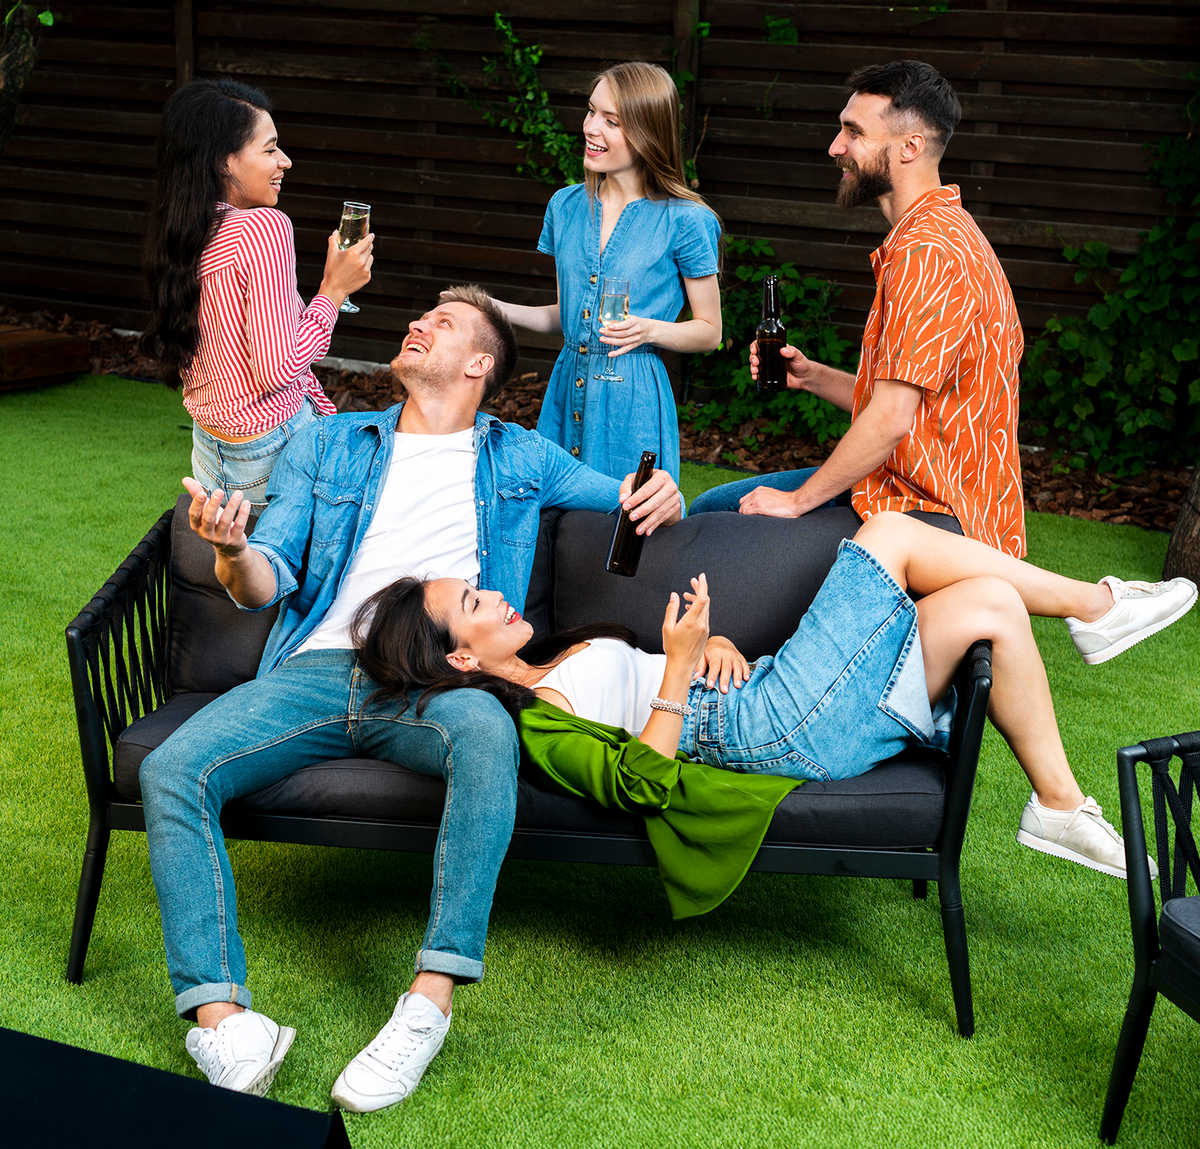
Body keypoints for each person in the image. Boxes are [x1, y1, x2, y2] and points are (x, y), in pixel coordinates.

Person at [137, 285, 682, 1110]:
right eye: (421, 313)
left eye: (445, 321)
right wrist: (231, 551)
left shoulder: (521, 455)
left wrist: (664, 491)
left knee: (486, 735)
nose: (419, 322)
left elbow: (630, 494)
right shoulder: (330, 443)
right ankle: (221, 1020)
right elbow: (265, 578)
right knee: (172, 768)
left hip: (437, 679)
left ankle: (428, 1003)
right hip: (314, 671)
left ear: (478, 364)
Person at [357, 516, 1197, 899]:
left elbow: (662, 669)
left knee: (991, 606)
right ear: (463, 658)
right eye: (474, 601)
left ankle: (1057, 805)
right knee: (893, 534)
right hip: (756, 732)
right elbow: (640, 780)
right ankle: (1098, 603)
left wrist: (709, 650)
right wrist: (681, 671)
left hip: (759, 697)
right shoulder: (528, 721)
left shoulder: (556, 654)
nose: (496, 594)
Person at [689, 60, 1025, 559]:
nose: (835, 147)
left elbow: (890, 420)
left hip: (940, 517)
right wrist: (813, 376)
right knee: (716, 506)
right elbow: (917, 410)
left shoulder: (925, 252)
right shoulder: (945, 230)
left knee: (714, 521)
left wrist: (797, 502)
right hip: (922, 494)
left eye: (853, 132)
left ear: (910, 146)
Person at [140, 77, 374, 510]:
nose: (285, 161)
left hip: (211, 448)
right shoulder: (263, 228)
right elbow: (278, 369)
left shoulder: (182, 231)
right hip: (272, 448)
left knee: (237, 572)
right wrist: (333, 290)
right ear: (220, 161)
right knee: (293, 574)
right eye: (269, 149)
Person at [491, 61, 723, 484]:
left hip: (632, 402)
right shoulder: (564, 206)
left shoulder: (686, 221)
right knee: (552, 521)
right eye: (591, 111)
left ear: (647, 133)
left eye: (611, 121)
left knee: (625, 529)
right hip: (565, 388)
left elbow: (710, 331)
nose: (591, 128)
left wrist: (646, 330)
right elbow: (565, 316)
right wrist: (489, 307)